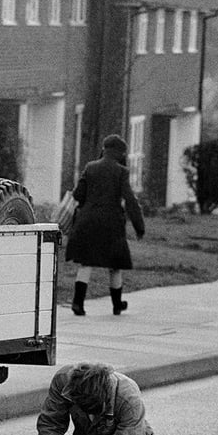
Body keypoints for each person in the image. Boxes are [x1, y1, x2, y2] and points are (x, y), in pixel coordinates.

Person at [65, 134, 145, 316]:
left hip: (88, 222)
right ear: (120, 154)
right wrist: (139, 226)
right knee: (115, 264)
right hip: (111, 225)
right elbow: (131, 201)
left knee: (85, 264)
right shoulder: (121, 172)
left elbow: (78, 195)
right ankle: (117, 304)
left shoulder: (90, 167)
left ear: (104, 149)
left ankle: (78, 303)